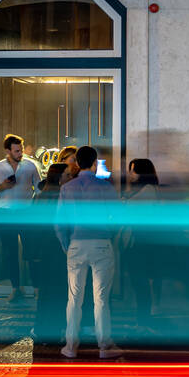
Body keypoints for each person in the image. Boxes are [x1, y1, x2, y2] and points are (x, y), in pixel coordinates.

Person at [55, 145, 122, 359]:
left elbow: (59, 222)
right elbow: (118, 216)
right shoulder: (105, 187)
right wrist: (110, 234)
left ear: (77, 163)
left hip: (76, 245)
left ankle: (71, 345)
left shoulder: (67, 188)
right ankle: (104, 345)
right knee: (101, 298)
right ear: (94, 163)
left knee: (74, 297)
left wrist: (67, 244)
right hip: (102, 244)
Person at [0, 134, 41, 302]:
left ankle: (37, 289)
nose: (20, 153)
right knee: (10, 252)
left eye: (21, 150)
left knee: (32, 251)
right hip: (5, 214)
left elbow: (38, 189)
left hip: (26, 213)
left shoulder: (30, 166)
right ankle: (16, 288)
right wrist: (2, 187)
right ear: (8, 150)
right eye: (16, 150)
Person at [27, 163, 69, 345]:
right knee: (59, 290)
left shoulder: (41, 196)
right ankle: (55, 330)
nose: (69, 177)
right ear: (59, 178)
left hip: (43, 250)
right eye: (67, 174)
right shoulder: (60, 196)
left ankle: (43, 329)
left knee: (46, 291)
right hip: (57, 248)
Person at [123, 159, 161, 329]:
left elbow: (128, 207)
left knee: (140, 283)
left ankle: (143, 321)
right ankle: (142, 320)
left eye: (133, 171)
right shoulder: (146, 190)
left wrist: (124, 200)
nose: (130, 174)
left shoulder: (148, 190)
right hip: (141, 242)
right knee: (141, 283)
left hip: (141, 244)